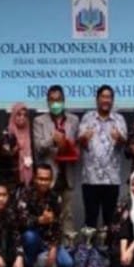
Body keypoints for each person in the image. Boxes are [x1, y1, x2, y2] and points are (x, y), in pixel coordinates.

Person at [32, 85, 80, 239]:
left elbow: (77, 146)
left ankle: (68, 248)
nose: (55, 103)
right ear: (48, 102)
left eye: (58, 100)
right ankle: (49, 248)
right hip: (48, 178)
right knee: (48, 215)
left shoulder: (74, 120)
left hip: (67, 175)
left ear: (64, 100)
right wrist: (52, 140)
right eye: (52, 100)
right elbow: (38, 148)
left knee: (68, 216)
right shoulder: (39, 121)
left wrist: (70, 146)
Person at [78, 85, 128, 228]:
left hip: (111, 179)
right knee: (90, 220)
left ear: (112, 100)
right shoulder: (87, 118)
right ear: (97, 99)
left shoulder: (119, 119)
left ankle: (109, 243)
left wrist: (119, 138)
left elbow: (125, 142)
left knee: (110, 220)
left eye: (109, 97)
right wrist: (84, 138)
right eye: (103, 97)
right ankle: (90, 243)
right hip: (90, 178)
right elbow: (80, 142)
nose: (106, 100)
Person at [16, 163, 74, 267]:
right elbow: (20, 221)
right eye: (40, 179)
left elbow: (58, 224)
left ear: (51, 181)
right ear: (34, 178)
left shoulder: (55, 197)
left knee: (67, 265)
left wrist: (53, 247)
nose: (43, 182)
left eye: (46, 179)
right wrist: (39, 220)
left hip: (49, 241)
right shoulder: (25, 195)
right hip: (32, 239)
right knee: (29, 236)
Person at [0, 102, 33, 189]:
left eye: (25, 115)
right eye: (19, 115)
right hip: (9, 179)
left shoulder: (30, 133)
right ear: (13, 116)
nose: (22, 117)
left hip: (27, 179)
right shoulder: (7, 134)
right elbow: (4, 154)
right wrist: (16, 149)